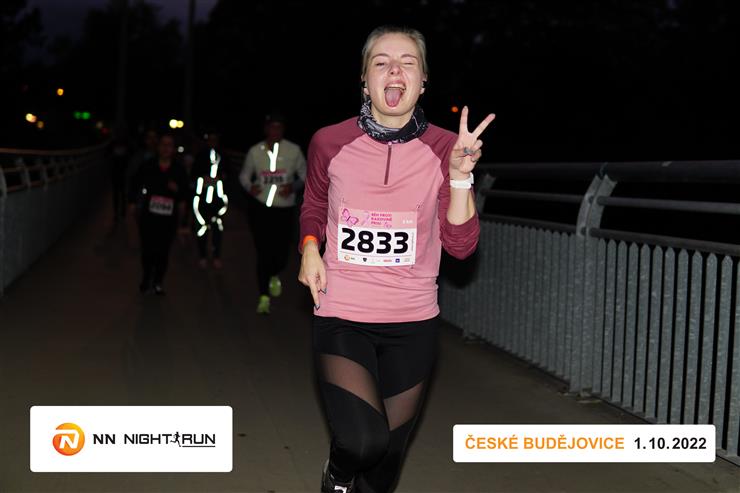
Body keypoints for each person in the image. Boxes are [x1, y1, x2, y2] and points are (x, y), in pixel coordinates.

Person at [298, 25, 494, 493]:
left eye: (408, 63)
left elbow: (460, 246)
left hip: (412, 320)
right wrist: (309, 247)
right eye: (381, 62)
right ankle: (336, 474)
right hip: (343, 311)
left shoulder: (447, 148)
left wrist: (461, 176)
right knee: (362, 441)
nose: (394, 71)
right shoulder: (328, 141)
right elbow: (315, 203)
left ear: (422, 81)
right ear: (364, 80)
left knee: (386, 464)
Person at [240, 112, 306, 314]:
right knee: (263, 252)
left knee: (281, 253)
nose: (275, 130)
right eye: (272, 127)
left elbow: (305, 174)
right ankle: (263, 297)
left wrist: (293, 186)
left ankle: (275, 273)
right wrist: (250, 187)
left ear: (283, 130)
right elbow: (244, 175)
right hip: (260, 209)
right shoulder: (255, 151)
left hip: (284, 209)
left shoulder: (293, 150)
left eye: (279, 127)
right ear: (266, 129)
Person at [128, 133, 189, 295]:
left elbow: (184, 197)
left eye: (169, 145)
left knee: (163, 251)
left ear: (173, 149)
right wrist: (132, 202)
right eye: (163, 144)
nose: (166, 148)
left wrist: (182, 223)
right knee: (147, 249)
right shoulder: (148, 166)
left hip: (168, 219)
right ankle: (146, 278)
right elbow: (135, 183)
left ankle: (158, 281)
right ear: (158, 147)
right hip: (149, 216)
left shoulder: (179, 170)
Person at [191, 132, 228, 269]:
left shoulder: (223, 156)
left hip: (218, 201)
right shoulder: (201, 156)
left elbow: (229, 175)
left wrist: (221, 178)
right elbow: (193, 174)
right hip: (202, 200)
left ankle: (216, 255)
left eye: (214, 139)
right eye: (210, 140)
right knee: (202, 228)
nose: (212, 142)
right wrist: (202, 178)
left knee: (217, 228)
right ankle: (202, 255)